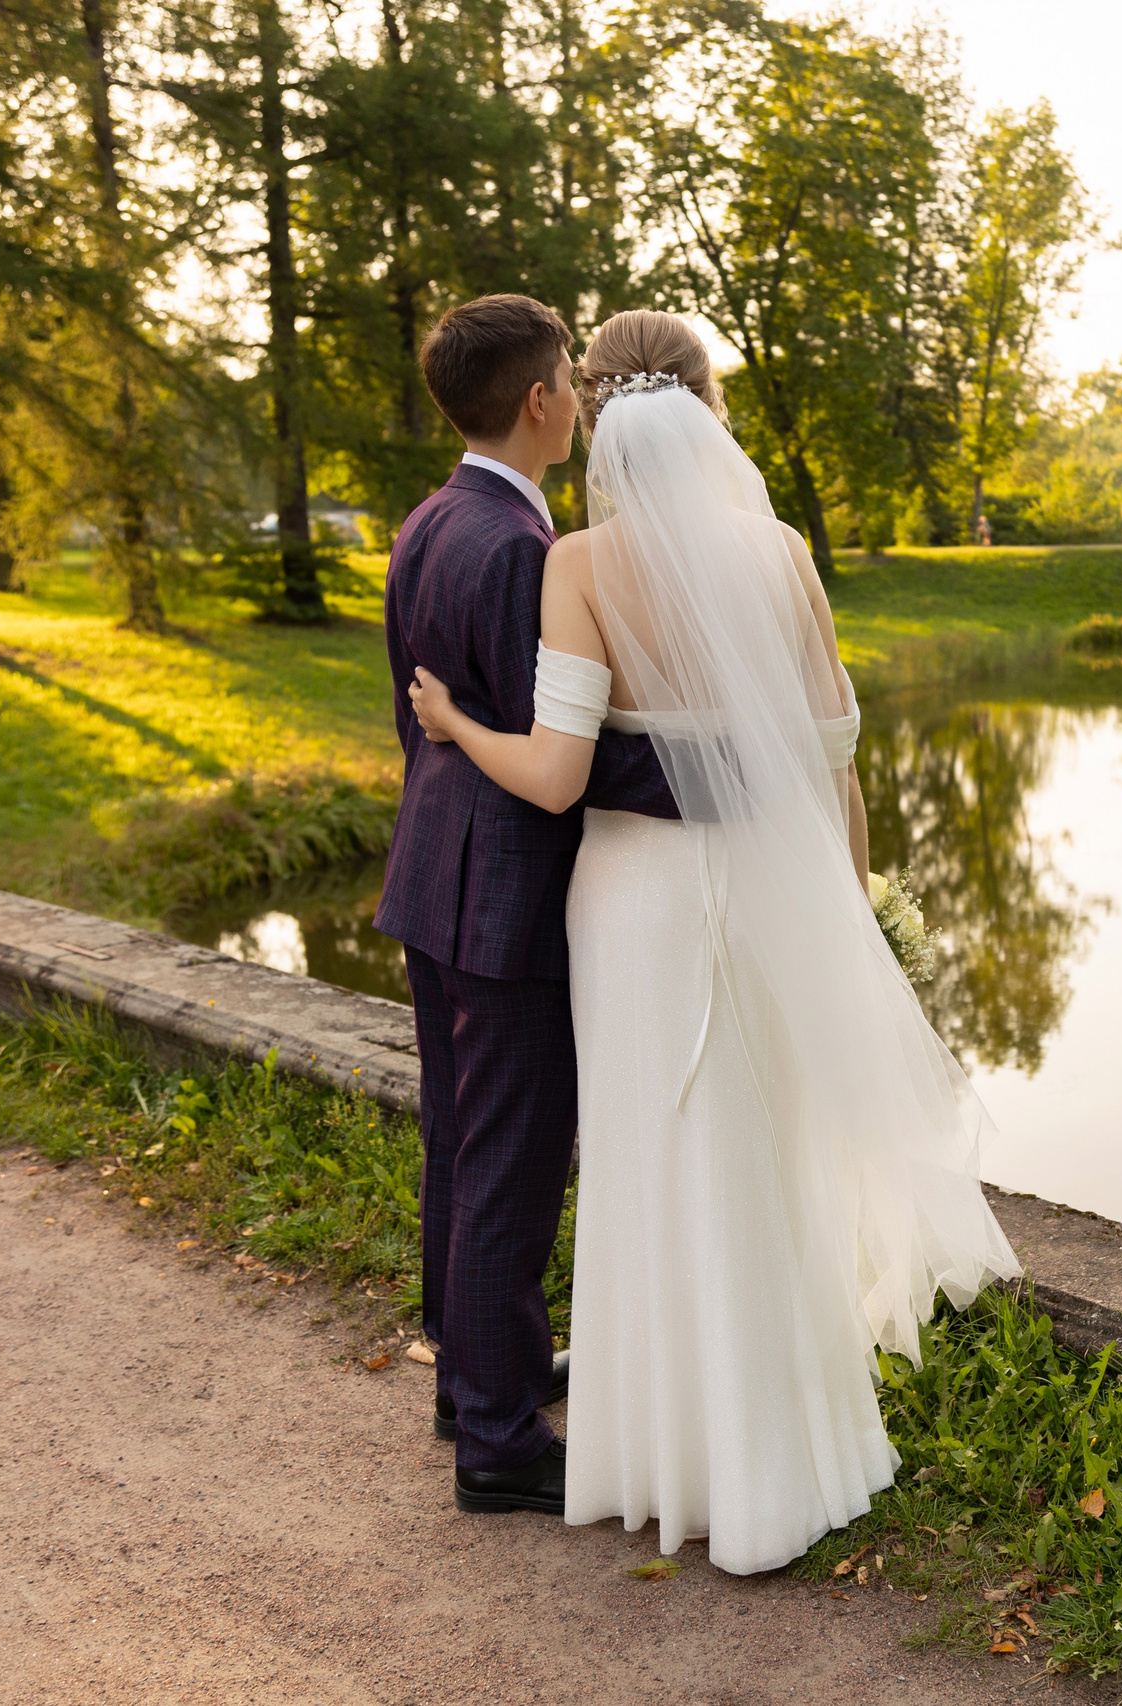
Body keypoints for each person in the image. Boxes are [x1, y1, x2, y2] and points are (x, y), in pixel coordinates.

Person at [407, 309, 1020, 1574]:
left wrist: (459, 728)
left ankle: (654, 1456)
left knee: (649, 1164)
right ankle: (782, 1452)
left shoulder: (578, 561)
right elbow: (836, 763)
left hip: (631, 910)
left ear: (605, 409)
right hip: (761, 890)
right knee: (764, 1154)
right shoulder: (786, 552)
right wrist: (845, 918)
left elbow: (560, 776)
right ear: (709, 412)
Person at [374, 295, 682, 1519]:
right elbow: (560, 748)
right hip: (503, 897)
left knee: (460, 1138)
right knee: (510, 1157)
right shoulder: (519, 548)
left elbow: (435, 717)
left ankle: (472, 1374)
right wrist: (719, 768)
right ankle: (498, 1439)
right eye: (565, 375)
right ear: (543, 399)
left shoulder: (428, 521)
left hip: (434, 876)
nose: (573, 394)